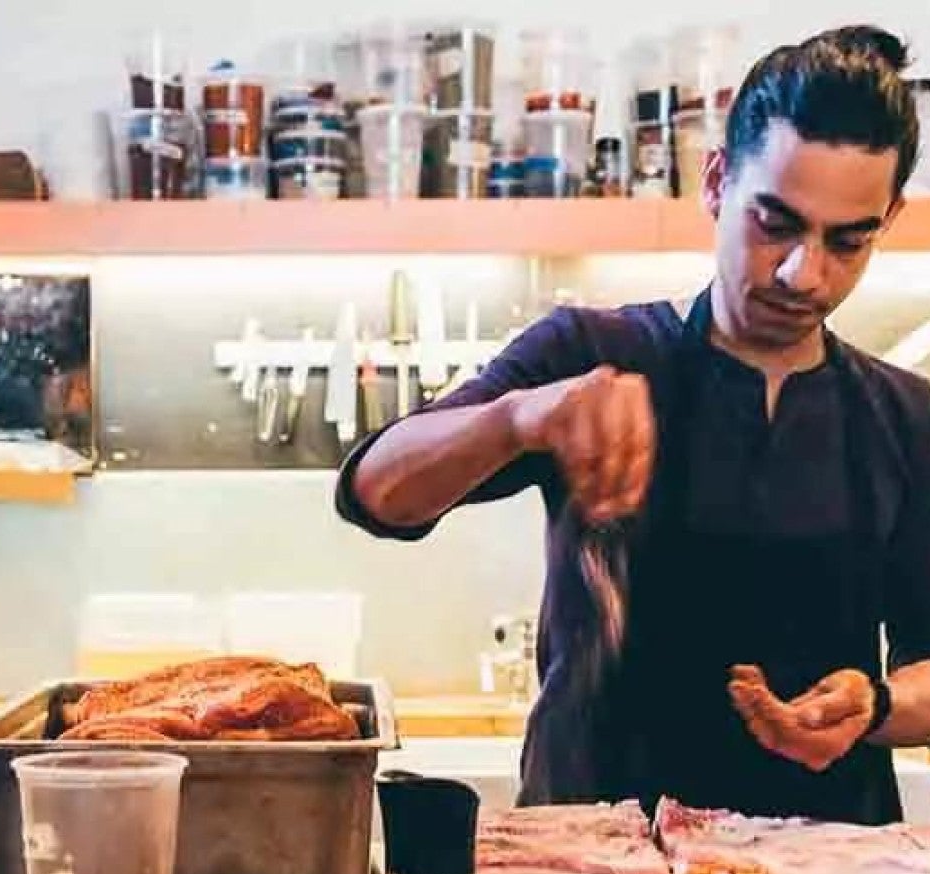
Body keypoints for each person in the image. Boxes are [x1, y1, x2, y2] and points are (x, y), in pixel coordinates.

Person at [337, 25, 930, 824]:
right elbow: (377, 493)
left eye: (847, 241)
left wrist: (879, 702)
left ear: (887, 219)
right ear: (717, 182)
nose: (804, 272)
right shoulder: (593, 353)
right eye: (776, 223)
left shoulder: (905, 418)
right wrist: (520, 418)